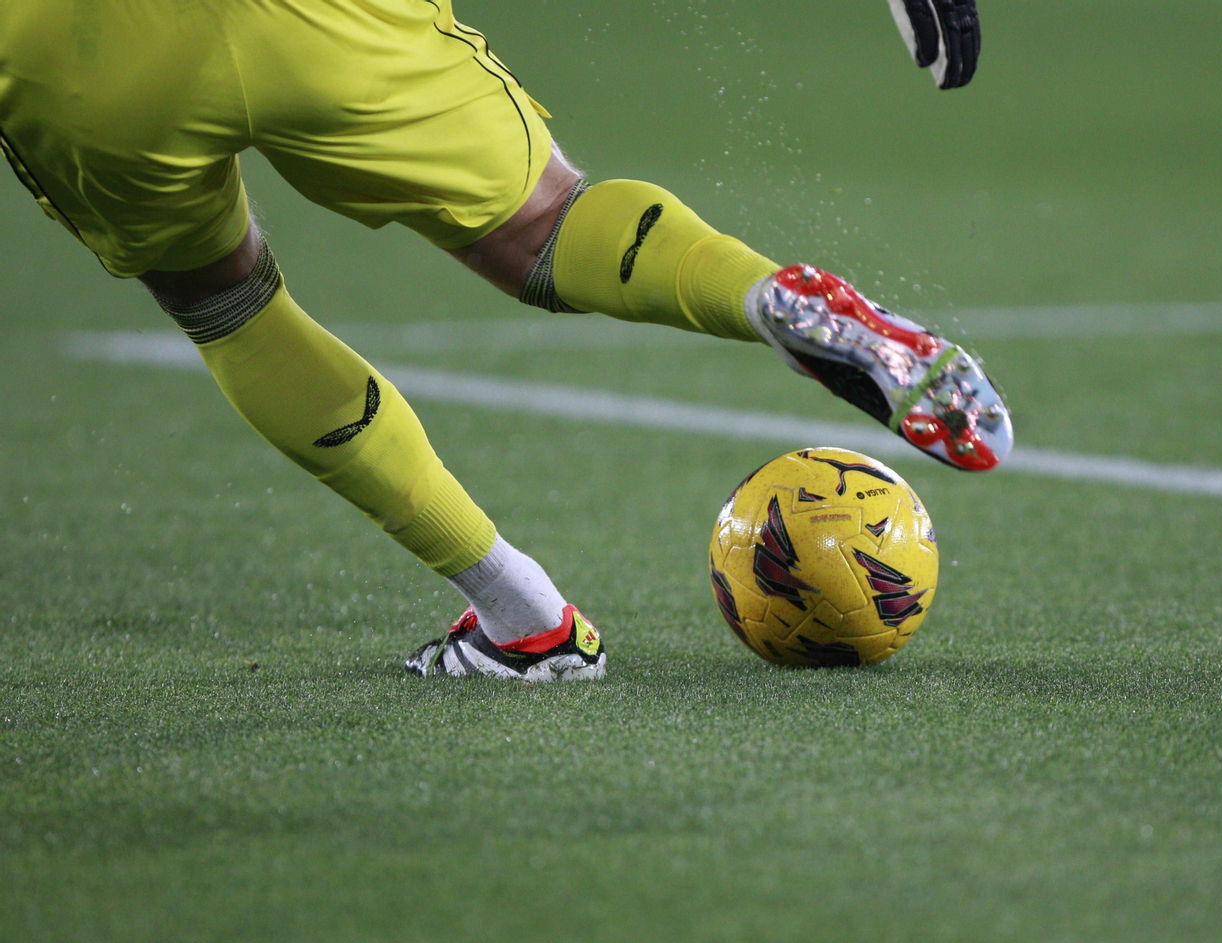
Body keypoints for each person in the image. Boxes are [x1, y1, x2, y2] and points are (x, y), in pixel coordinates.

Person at [0, 0, 1007, 683]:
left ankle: (525, 620)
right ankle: (764, 297)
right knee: (548, 225)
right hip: (317, 18)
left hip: (74, 48)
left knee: (224, 304)